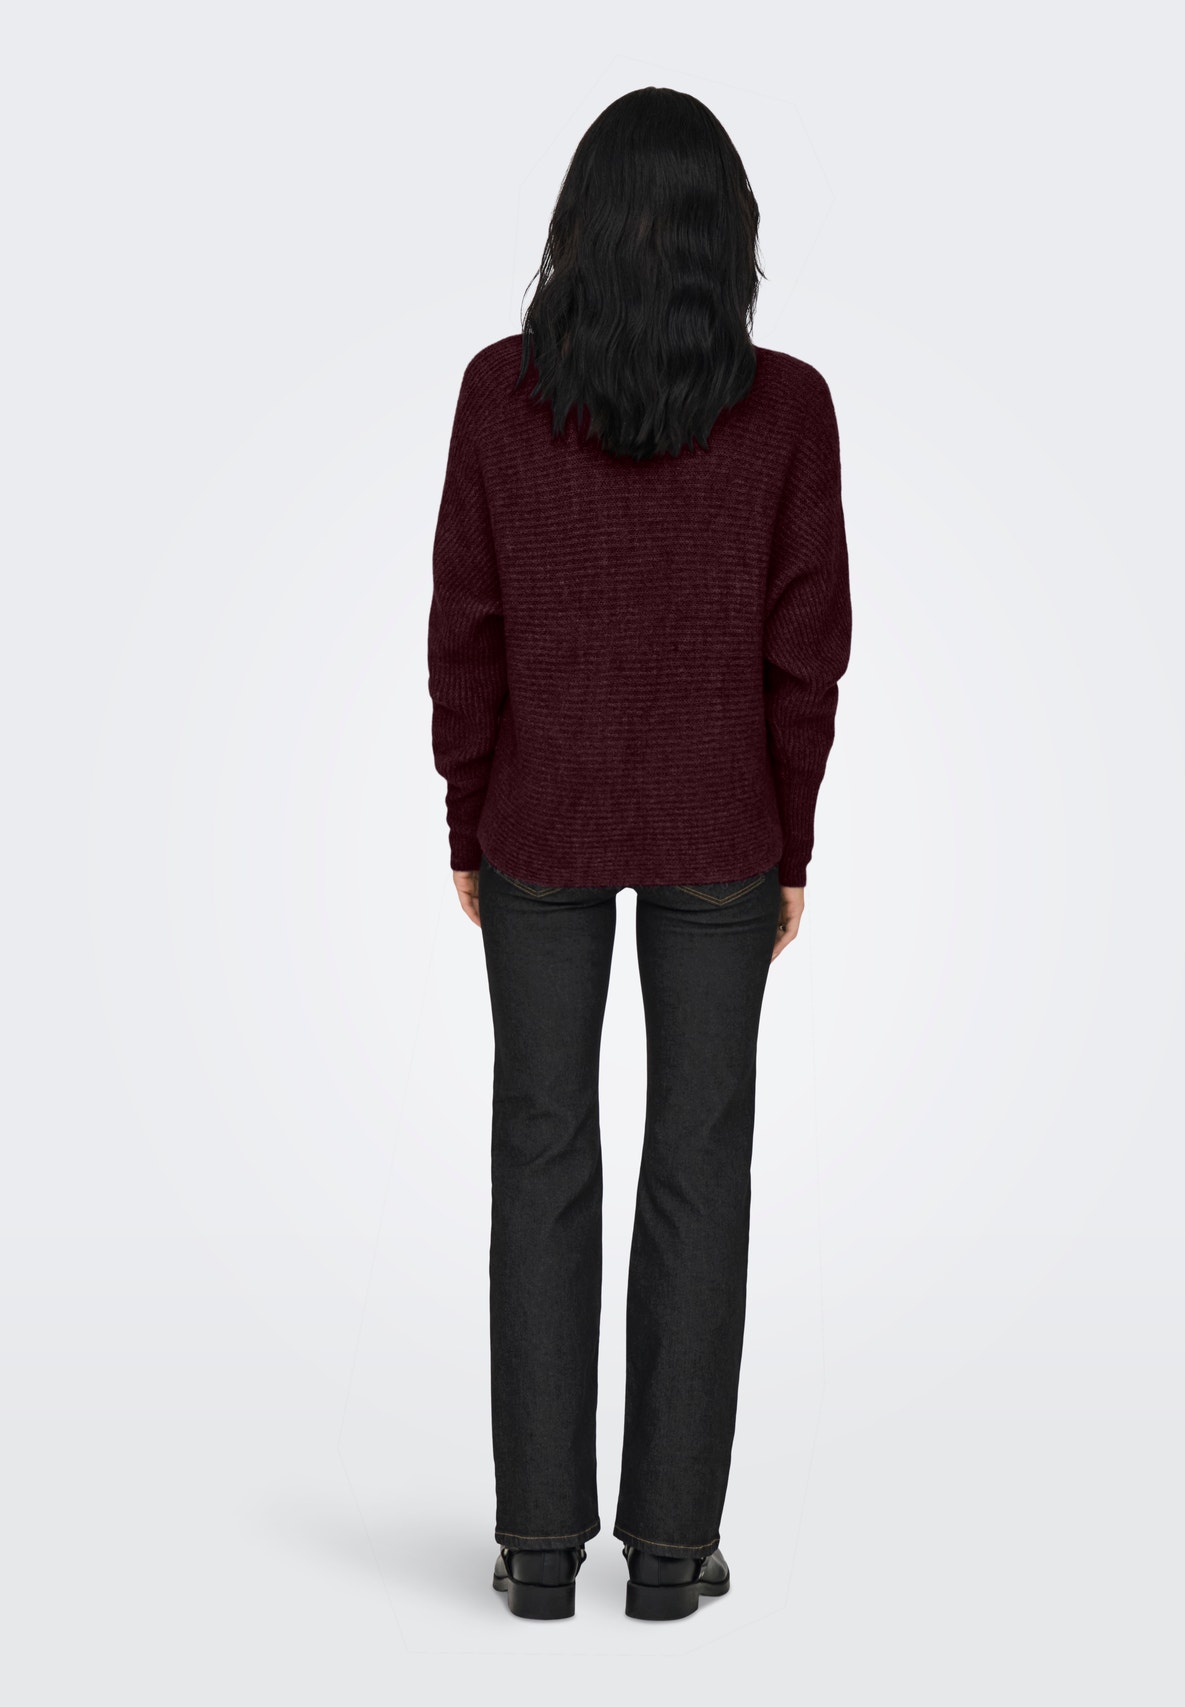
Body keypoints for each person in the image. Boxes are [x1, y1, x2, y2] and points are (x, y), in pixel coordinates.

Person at [428, 85, 851, 1622]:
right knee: (699, 1163)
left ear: (575, 231)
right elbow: (806, 650)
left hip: (538, 825)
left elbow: (465, 626)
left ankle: (541, 1544)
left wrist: (468, 812)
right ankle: (669, 1551)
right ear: (730, 241)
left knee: (540, 1153)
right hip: (721, 830)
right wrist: (793, 836)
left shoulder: (499, 393)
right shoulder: (786, 408)